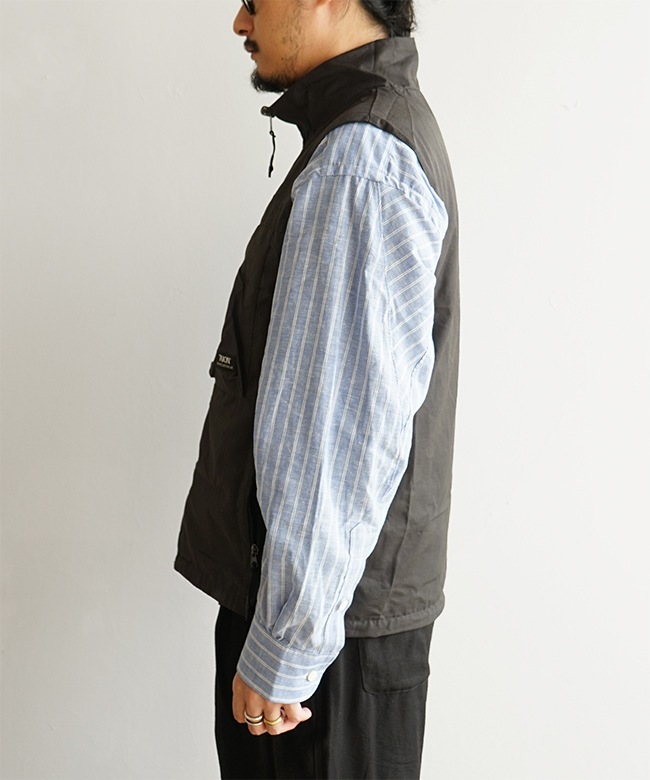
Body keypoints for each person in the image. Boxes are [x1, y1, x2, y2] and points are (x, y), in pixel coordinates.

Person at [174, 1, 459, 777]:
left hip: (319, 655)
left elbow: (340, 435)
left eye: (254, 1)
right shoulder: (366, 135)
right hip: (333, 631)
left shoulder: (360, 159)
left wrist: (287, 643)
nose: (241, 23)